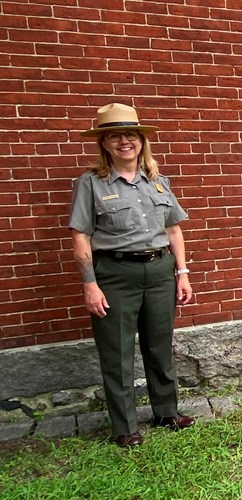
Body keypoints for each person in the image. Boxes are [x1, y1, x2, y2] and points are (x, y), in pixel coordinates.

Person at [69, 103, 195, 447]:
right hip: (114, 273)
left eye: (130, 135)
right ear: (104, 144)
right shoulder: (90, 184)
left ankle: (166, 411)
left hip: (158, 271)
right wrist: (89, 283)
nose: (124, 142)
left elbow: (174, 231)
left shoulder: (158, 182)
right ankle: (125, 427)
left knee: (159, 345)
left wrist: (182, 273)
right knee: (117, 352)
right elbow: (81, 235)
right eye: (114, 136)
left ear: (141, 140)